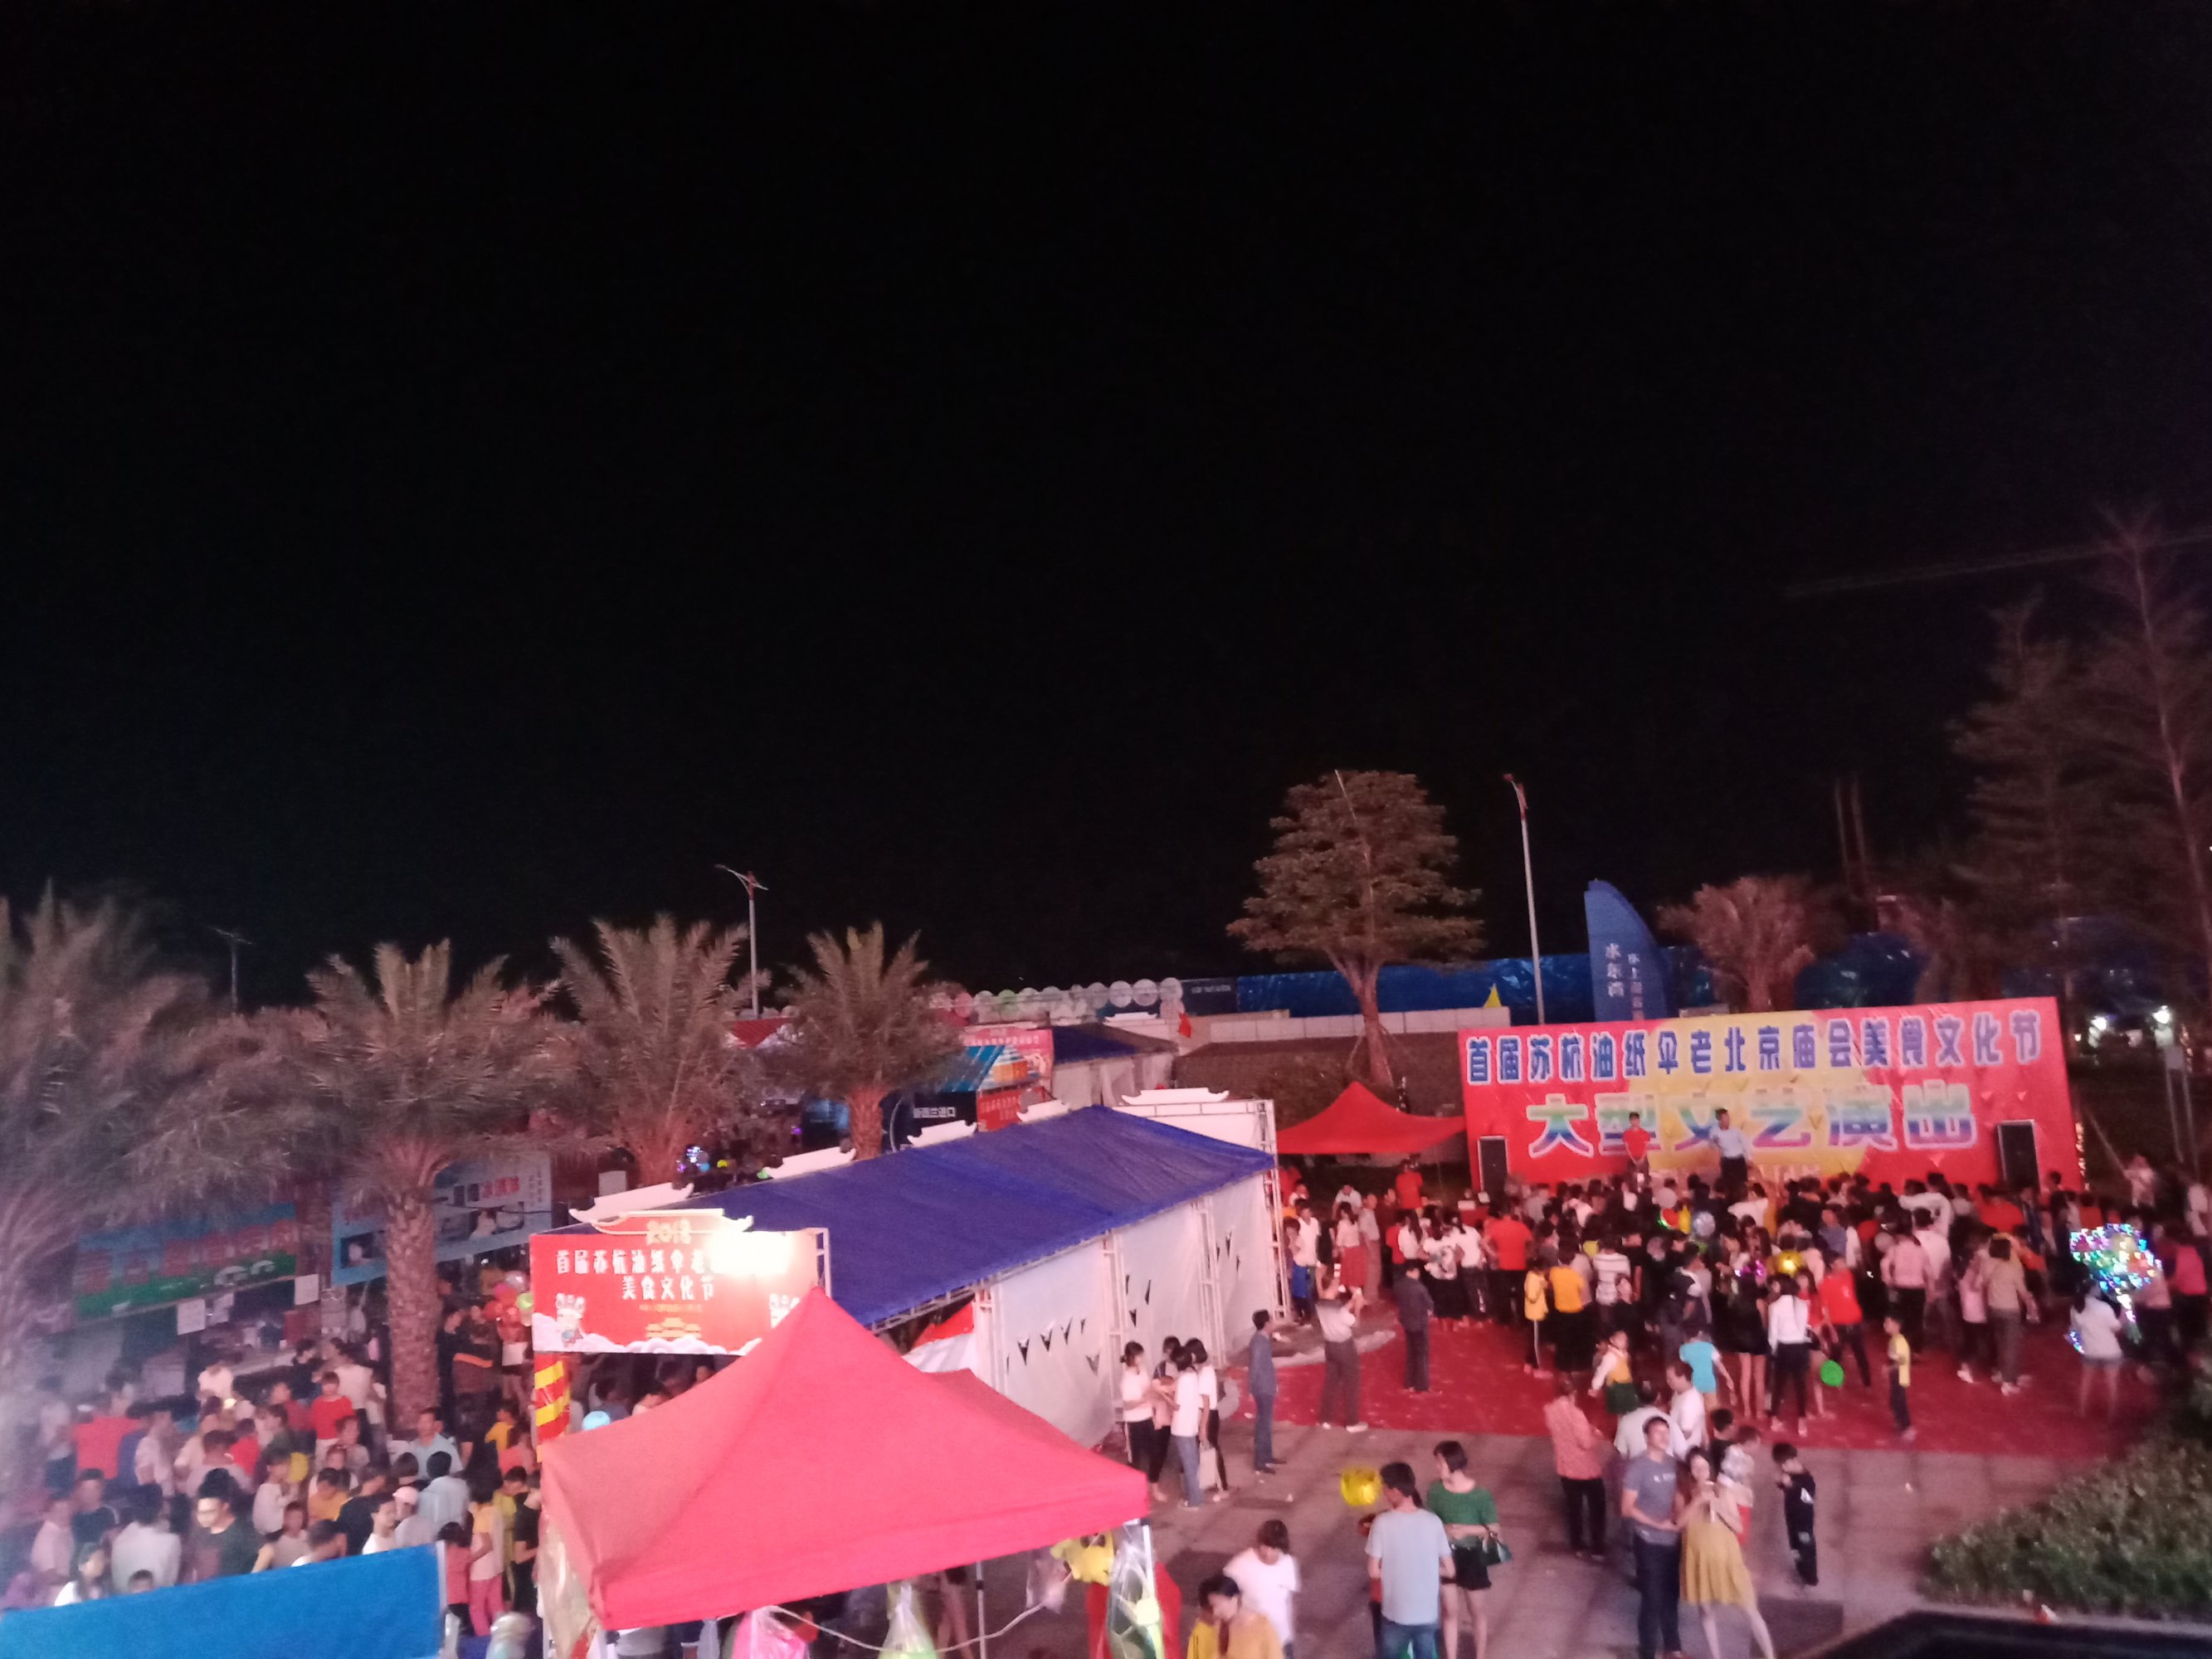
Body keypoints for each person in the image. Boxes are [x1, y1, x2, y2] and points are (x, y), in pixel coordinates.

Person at [1678, 1447, 1777, 1659]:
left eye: (1703, 1465)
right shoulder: (1685, 1493)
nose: (1700, 1470)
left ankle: (1770, 1656)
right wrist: (1698, 1501)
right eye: (1695, 1467)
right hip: (1699, 1559)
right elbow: (1679, 1522)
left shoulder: (1723, 1490)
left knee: (1749, 1608)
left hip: (1727, 1559)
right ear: (1690, 1471)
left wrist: (1717, 1505)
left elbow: (1738, 1526)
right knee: (1706, 1610)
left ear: (1710, 1467)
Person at [1367, 1462, 1453, 1659]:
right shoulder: (1433, 1522)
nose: (1383, 1493)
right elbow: (1450, 1570)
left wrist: (1397, 1569)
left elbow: (1373, 1571)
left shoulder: (1382, 1523)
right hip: (1427, 1614)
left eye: (1385, 1488)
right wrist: (1424, 1568)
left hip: (1396, 1614)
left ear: (1396, 1491)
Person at [1426, 1443, 1497, 1659]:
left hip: (1472, 1556)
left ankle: (1480, 1655)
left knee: (1477, 1611)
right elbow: (1430, 1521)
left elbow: (1493, 1529)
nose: (1437, 1467)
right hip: (1446, 1554)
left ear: (1452, 1463)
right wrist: (1444, 1530)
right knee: (1449, 1611)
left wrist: (1465, 1530)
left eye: (1440, 1462)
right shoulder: (1436, 1491)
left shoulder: (1480, 1495)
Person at [1620, 1415, 1683, 1659]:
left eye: (1667, 1432)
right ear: (1647, 1437)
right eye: (1658, 1432)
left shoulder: (1672, 1463)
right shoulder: (1638, 1467)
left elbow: (1677, 1494)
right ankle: (1647, 1652)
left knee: (1672, 1595)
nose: (1664, 1436)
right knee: (1652, 1599)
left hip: (1672, 1541)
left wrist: (1679, 1516)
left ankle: (1673, 1648)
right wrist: (1658, 1524)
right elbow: (1627, 1508)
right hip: (1649, 1542)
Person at [1543, 1375, 1607, 1561]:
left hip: (1565, 1466)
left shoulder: (1549, 1410)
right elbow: (1586, 1443)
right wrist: (1596, 1434)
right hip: (1585, 1468)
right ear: (1573, 1393)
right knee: (1597, 1507)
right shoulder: (1576, 1414)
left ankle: (1577, 1544)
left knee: (1574, 1507)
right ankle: (1597, 1547)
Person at [1223, 1520, 1299, 1659]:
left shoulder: (1288, 1563)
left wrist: (1290, 1634)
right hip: (1253, 1642)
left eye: (1274, 1548)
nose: (1268, 1553)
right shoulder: (1242, 1564)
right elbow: (1223, 1598)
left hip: (1281, 1638)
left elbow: (1288, 1601)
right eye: (1265, 1546)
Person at [1186, 1573, 1284, 1659]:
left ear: (1234, 1598)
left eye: (1218, 1605)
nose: (1215, 1612)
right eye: (1212, 1607)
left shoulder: (1262, 1627)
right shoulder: (1219, 1626)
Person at [1315, 1275, 1367, 1433]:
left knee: (1330, 1383)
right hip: (1345, 1347)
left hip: (1330, 1346)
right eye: (1336, 1283)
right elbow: (1355, 1323)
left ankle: (1325, 1419)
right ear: (1331, 1286)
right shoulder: (1337, 1308)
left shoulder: (1319, 1304)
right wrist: (1358, 1308)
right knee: (1351, 1384)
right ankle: (1352, 1422)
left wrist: (1352, 1300)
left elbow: (1340, 1311)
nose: (1339, 1286)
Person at [1981, 1236, 2032, 1394]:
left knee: (2000, 1342)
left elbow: (1983, 1283)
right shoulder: (2011, 1268)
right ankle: (2008, 1381)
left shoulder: (1987, 1264)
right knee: (2011, 1346)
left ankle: (2001, 1372)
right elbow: (2022, 1292)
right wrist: (2031, 1306)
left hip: (1993, 1308)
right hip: (2010, 1310)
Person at [109, 1488, 181, 1593]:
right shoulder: (172, 1542)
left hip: (125, 1601)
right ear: (160, 1510)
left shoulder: (119, 1541)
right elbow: (171, 1583)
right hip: (160, 1600)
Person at [1815, 1252, 1871, 1387]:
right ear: (1832, 1265)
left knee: (1860, 1353)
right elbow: (1825, 1310)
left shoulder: (1848, 1276)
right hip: (1839, 1325)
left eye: (1844, 1262)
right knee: (1836, 1355)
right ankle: (1830, 1378)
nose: (1844, 1265)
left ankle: (1867, 1382)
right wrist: (1831, 1330)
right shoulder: (1825, 1285)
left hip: (1855, 1322)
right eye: (1840, 1262)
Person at [1764, 1277, 1812, 1432]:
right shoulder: (1802, 1304)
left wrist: (1773, 1351)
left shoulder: (1775, 1306)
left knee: (1779, 1385)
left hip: (1783, 1348)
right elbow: (1805, 1328)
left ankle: (1774, 1418)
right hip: (1800, 1347)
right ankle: (1802, 1421)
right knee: (1801, 1385)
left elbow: (1773, 1334)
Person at [2071, 1287, 2126, 1421]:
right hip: (2110, 1350)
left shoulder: (2075, 1308)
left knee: (2086, 1382)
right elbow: (2116, 1327)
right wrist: (2125, 1311)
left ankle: (2082, 1411)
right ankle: (2111, 1415)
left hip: (2090, 1350)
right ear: (2093, 1290)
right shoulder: (2104, 1307)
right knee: (2111, 1384)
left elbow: (2076, 1329)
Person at [187, 1486, 261, 1581]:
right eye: (200, 1512)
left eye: (210, 1512)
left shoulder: (239, 1532)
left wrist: (251, 1578)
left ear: (224, 1508)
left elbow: (267, 1551)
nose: (204, 1517)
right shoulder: (198, 1535)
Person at [467, 1470, 509, 1634]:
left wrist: (469, 1559)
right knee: (496, 1604)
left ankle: (484, 1639)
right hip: (497, 1565)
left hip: (481, 1569)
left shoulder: (481, 1516)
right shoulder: (496, 1510)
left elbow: (486, 1545)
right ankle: (502, 1635)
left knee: (476, 1607)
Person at [1169, 1345, 1208, 1509]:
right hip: (1191, 1424)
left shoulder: (1183, 1379)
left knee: (1189, 1465)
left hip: (1182, 1426)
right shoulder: (1193, 1375)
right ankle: (1196, 1495)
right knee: (1193, 1462)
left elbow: (1176, 1405)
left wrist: (1163, 1395)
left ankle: (1194, 1501)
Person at [1774, 1443, 1817, 1588]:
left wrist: (1791, 1485)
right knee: (1795, 1546)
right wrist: (1780, 1483)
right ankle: (1800, 1569)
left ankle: (1810, 1577)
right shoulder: (1789, 1474)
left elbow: (1807, 1498)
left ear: (1794, 1460)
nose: (1783, 1468)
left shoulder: (1807, 1480)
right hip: (1791, 1517)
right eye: (1781, 1465)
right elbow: (1784, 1488)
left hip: (1803, 1522)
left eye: (1785, 1464)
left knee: (1806, 1547)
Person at [1883, 1226, 1930, 1352]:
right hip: (1918, 1289)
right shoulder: (1921, 1251)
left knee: (1898, 1319)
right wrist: (1931, 1290)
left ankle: (1899, 1348)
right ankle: (1916, 1350)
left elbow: (1884, 1265)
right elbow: (1928, 1272)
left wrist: (1888, 1280)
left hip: (1900, 1288)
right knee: (1917, 1320)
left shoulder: (1894, 1249)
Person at [1119, 1341, 1161, 1479]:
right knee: (1135, 1457)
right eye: (1139, 1356)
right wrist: (1144, 1400)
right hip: (1134, 1421)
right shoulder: (1126, 1378)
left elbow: (1148, 1388)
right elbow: (1127, 1405)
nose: (1141, 1359)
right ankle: (1134, 1483)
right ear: (1132, 1357)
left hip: (1147, 1417)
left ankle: (1153, 1482)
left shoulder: (1142, 1370)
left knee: (1154, 1452)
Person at [1394, 1258, 1436, 1394]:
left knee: (1410, 1353)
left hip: (1406, 1322)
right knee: (1421, 1354)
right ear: (1414, 1271)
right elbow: (1430, 1306)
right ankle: (1422, 1386)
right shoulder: (1420, 1288)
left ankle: (1409, 1383)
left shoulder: (1398, 1285)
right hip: (1419, 1324)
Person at [1246, 1314, 1280, 1475]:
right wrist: (1251, 1389)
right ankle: (1261, 1460)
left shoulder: (1261, 1339)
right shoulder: (1259, 1342)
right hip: (1263, 1387)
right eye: (1271, 1320)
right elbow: (1255, 1367)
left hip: (1266, 1385)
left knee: (1266, 1423)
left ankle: (1267, 1455)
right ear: (1266, 1323)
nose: (1273, 1323)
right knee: (1263, 1425)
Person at [31, 1494, 75, 1592]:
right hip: (57, 1594)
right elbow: (50, 1577)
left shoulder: (65, 1531)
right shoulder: (46, 1539)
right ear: (48, 1514)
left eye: (68, 1509)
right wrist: (77, 1582)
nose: (65, 1514)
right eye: (59, 1511)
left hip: (70, 1591)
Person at [1883, 1314, 1914, 1443]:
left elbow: (1901, 1361)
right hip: (1896, 1376)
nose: (1885, 1326)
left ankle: (1907, 1427)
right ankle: (1899, 1422)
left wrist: (1888, 1369)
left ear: (1897, 1325)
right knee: (1894, 1401)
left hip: (1900, 1377)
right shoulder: (1894, 1340)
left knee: (1900, 1402)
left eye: (1888, 1323)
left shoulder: (1899, 1341)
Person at [1665, 1361, 1706, 1459]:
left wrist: (1666, 1443)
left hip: (1684, 1453)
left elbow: (1686, 1434)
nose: (1668, 1382)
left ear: (1683, 1377)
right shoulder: (1679, 1392)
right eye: (1667, 1378)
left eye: (1671, 1379)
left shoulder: (1690, 1402)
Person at [255, 1503, 314, 1570]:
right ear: (286, 1520)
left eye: (299, 1517)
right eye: (293, 1518)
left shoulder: (307, 1535)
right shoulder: (280, 1545)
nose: (297, 1521)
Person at [55, 1542, 111, 1606]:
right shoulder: (71, 1590)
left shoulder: (102, 1588)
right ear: (82, 1565)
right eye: (98, 1560)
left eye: (102, 1560)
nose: (102, 1564)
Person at [1712, 1109, 1749, 1198]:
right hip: (1727, 1161)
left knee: (1743, 1184)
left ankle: (1743, 1200)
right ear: (1719, 1120)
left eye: (1728, 1117)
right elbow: (1712, 1146)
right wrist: (1715, 1143)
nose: (1728, 1119)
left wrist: (1748, 1158)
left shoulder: (1736, 1131)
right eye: (1725, 1118)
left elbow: (1745, 1143)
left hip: (1739, 1160)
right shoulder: (1714, 1132)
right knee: (1728, 1185)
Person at [1622, 1112, 1653, 1179]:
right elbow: (1627, 1148)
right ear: (1630, 1121)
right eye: (1632, 1119)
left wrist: (1642, 1159)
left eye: (1636, 1119)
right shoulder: (1626, 1134)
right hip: (1632, 1159)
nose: (1634, 1121)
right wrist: (1633, 1160)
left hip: (1643, 1159)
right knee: (1632, 1179)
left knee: (1645, 1178)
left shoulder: (1645, 1133)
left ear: (1639, 1120)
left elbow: (1646, 1148)